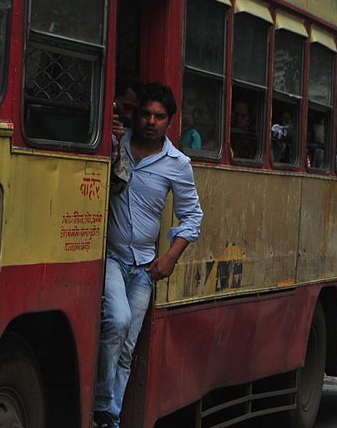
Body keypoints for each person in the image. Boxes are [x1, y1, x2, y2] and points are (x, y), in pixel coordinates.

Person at [94, 82, 204, 428]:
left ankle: (110, 416)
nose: (151, 122)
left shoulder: (177, 163)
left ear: (169, 121)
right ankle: (100, 402)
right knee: (117, 320)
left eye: (159, 116)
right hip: (110, 257)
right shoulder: (115, 142)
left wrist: (171, 256)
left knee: (127, 347)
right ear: (136, 116)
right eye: (145, 114)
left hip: (145, 267)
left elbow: (192, 216)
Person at [111, 75, 141, 195]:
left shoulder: (123, 134)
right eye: (126, 107)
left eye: (133, 111)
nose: (129, 115)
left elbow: (118, 185)